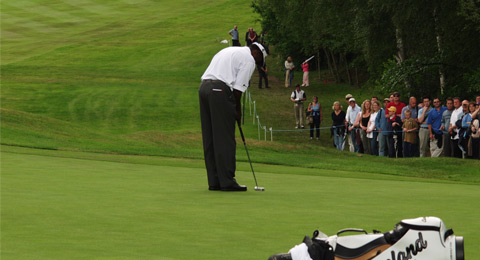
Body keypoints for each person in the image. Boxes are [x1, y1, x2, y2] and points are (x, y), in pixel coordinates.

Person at [199, 42, 267, 191]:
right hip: (219, 91)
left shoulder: (229, 50)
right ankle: (227, 181)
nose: (257, 63)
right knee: (225, 138)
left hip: (203, 89)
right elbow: (237, 90)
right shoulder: (249, 60)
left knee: (210, 137)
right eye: (259, 59)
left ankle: (215, 181)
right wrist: (237, 111)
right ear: (256, 53)